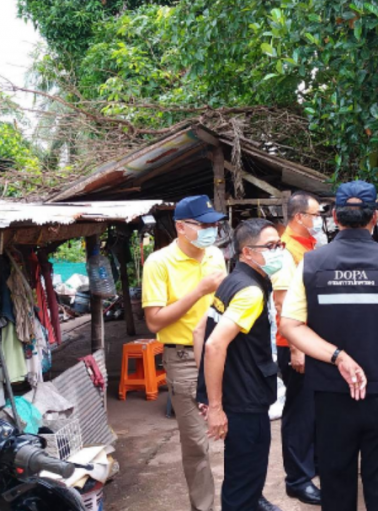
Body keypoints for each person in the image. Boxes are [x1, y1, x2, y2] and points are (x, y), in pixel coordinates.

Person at [280, 180, 378, 511]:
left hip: (331, 397)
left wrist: (337, 356)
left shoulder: (311, 264)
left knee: (336, 486)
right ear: (375, 217)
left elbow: (290, 325)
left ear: (334, 216)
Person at [142, 195, 226, 511]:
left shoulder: (215, 255)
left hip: (223, 351)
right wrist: (199, 290)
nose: (210, 231)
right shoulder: (158, 263)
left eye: (213, 225)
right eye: (203, 225)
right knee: (196, 444)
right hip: (184, 359)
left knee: (238, 431)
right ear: (181, 227)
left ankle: (243, 501)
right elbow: (154, 321)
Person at [195, 219, 284, 511]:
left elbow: (199, 330)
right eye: (271, 246)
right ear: (247, 252)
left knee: (245, 475)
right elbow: (214, 344)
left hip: (240, 392)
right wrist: (215, 406)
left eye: (280, 244)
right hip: (245, 398)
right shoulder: (250, 291)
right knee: (243, 483)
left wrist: (205, 392)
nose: (278, 251)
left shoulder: (232, 280)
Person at [271, 191, 323, 506]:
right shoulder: (284, 250)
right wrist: (295, 348)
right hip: (295, 343)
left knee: (313, 409)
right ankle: (298, 480)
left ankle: (313, 465)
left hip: (310, 339)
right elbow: (281, 302)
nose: (319, 220)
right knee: (299, 412)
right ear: (299, 217)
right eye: (315, 215)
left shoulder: (309, 245)